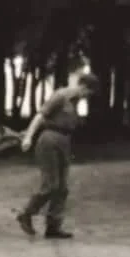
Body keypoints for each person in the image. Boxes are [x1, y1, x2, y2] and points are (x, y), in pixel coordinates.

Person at [16, 72, 100, 239]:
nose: (87, 97)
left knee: (62, 188)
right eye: (88, 93)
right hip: (50, 139)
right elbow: (41, 115)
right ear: (83, 87)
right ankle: (26, 213)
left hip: (64, 141)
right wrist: (28, 137)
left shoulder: (74, 103)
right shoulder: (61, 95)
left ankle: (53, 226)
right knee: (50, 185)